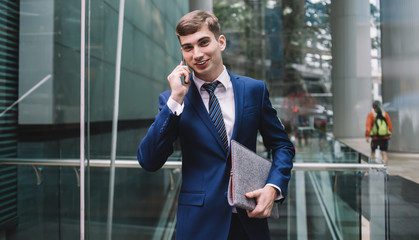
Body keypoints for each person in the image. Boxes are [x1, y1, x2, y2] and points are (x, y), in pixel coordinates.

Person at [137, 10, 295, 240]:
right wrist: (175, 100)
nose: (197, 54)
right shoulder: (173, 100)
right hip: (199, 225)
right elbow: (149, 160)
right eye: (188, 47)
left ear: (220, 42)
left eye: (203, 42)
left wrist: (273, 187)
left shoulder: (254, 90)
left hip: (249, 221)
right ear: (182, 53)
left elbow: (283, 146)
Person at [365, 100, 392, 165]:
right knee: (384, 153)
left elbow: (368, 127)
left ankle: (372, 167)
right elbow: (390, 125)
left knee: (373, 153)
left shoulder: (371, 115)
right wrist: (389, 134)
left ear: (373, 107)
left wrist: (367, 136)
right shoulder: (385, 114)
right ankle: (386, 169)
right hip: (384, 137)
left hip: (375, 138)